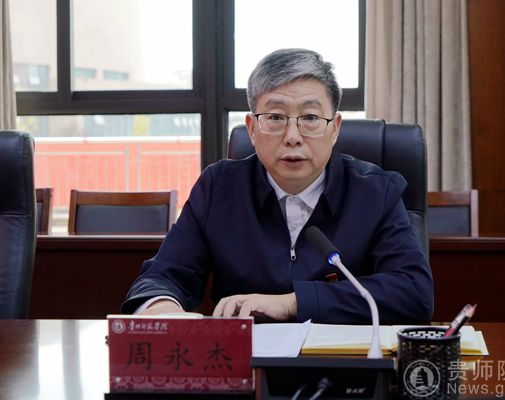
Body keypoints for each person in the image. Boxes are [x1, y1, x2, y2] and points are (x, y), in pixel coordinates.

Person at [122, 48, 433, 324]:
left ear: (335, 128)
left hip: (344, 363)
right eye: (275, 117)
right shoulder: (219, 188)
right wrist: (162, 308)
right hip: (244, 362)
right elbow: (164, 274)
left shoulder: (376, 192)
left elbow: (413, 292)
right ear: (252, 128)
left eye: (310, 117)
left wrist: (292, 303)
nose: (293, 137)